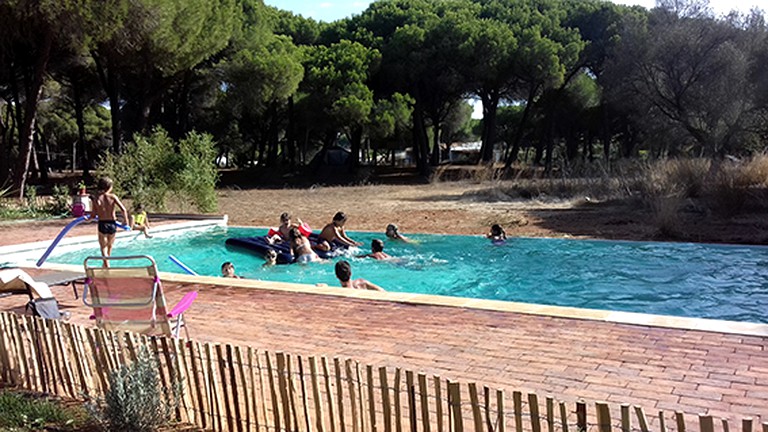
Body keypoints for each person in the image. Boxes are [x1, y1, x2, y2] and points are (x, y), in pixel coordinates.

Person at [90, 177, 129, 265]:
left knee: (103, 247)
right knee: (109, 246)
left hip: (102, 223)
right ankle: (106, 264)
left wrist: (88, 218)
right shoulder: (113, 197)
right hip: (112, 223)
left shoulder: (97, 198)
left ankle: (106, 265)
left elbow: (93, 214)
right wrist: (125, 222)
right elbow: (124, 210)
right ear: (109, 187)